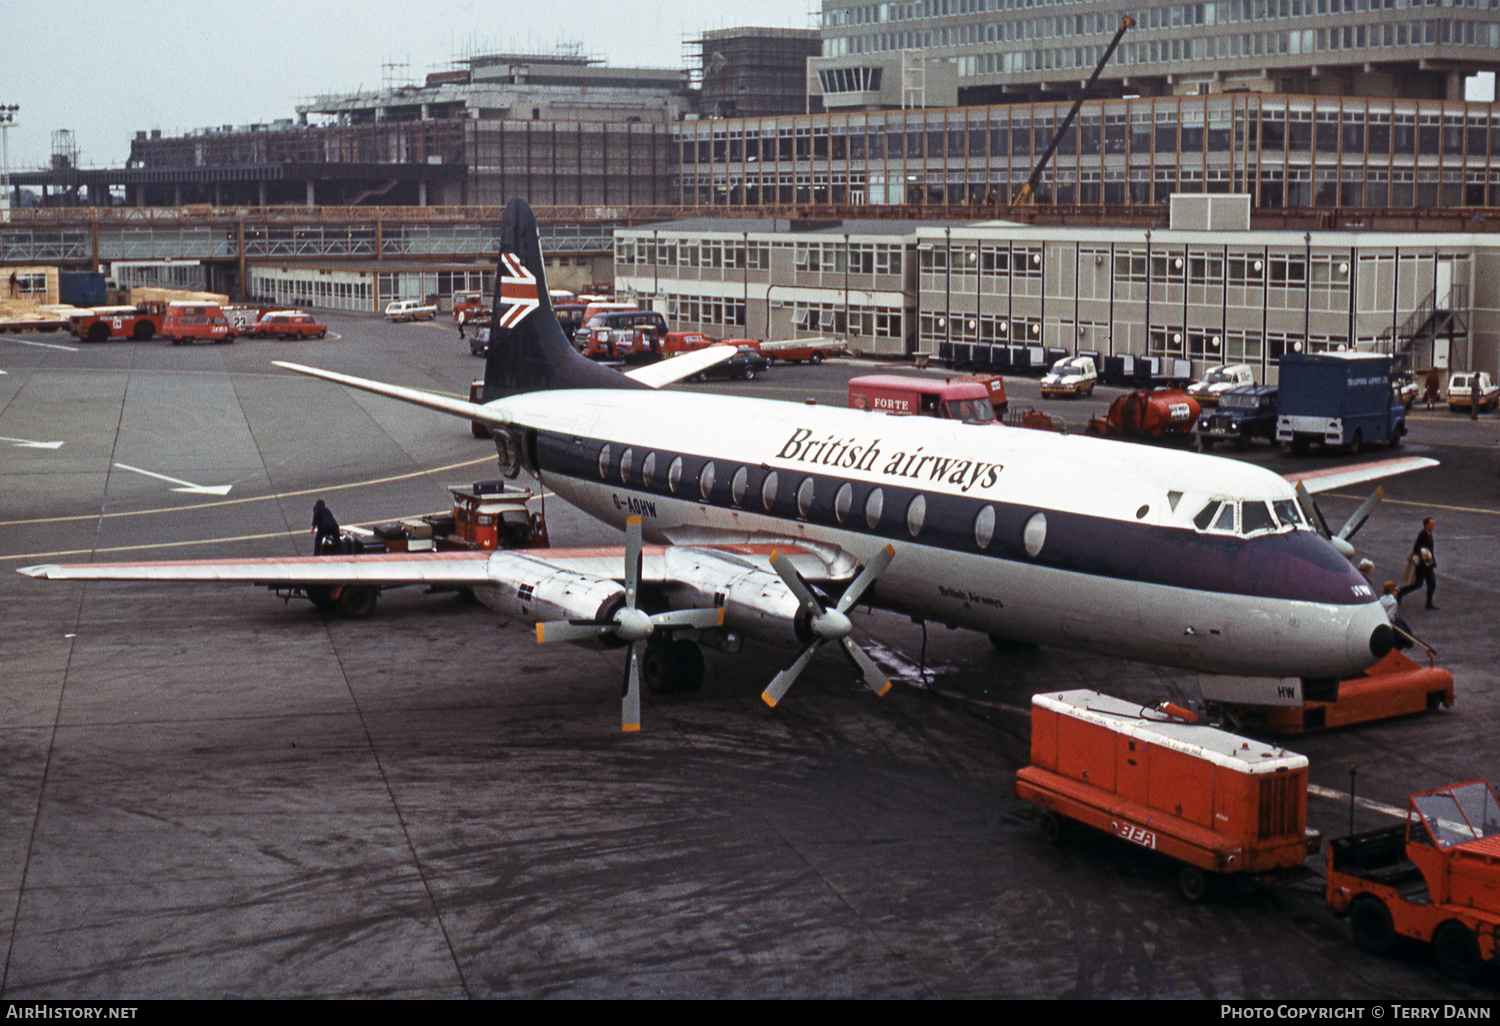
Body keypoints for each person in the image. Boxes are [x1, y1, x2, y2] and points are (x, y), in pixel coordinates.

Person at [1397, 516, 1438, 610]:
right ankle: (1401, 592)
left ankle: (1428, 603)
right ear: (1427, 525)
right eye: (1432, 524)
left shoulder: (1429, 534)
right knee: (1418, 584)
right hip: (1422, 566)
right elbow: (1416, 549)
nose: (1433, 526)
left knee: (1431, 584)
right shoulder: (1423, 534)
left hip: (1428, 565)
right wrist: (1424, 554)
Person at [1380, 581, 1414, 650]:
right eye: (1396, 591)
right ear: (1393, 591)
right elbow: (1390, 617)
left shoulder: (1381, 599)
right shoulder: (1393, 603)